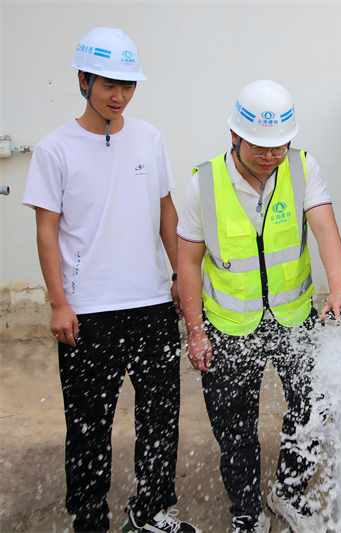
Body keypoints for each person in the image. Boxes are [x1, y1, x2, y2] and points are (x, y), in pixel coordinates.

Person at [22, 28, 197, 533]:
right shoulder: (55, 149)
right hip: (88, 312)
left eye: (127, 85)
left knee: (160, 421)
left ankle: (153, 515)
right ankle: (90, 520)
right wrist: (58, 302)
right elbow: (46, 231)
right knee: (88, 428)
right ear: (83, 80)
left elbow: (168, 215)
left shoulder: (149, 137)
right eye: (107, 84)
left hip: (150, 305)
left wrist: (181, 283)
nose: (118, 95)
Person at [177, 80, 341, 533]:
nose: (270, 155)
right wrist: (196, 332)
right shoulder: (203, 183)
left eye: (280, 145)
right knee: (234, 428)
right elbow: (188, 262)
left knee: (313, 408)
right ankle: (247, 511)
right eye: (260, 146)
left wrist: (337, 289)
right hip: (228, 326)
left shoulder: (302, 168)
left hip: (295, 318)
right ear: (234, 137)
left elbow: (325, 231)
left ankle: (288, 492)